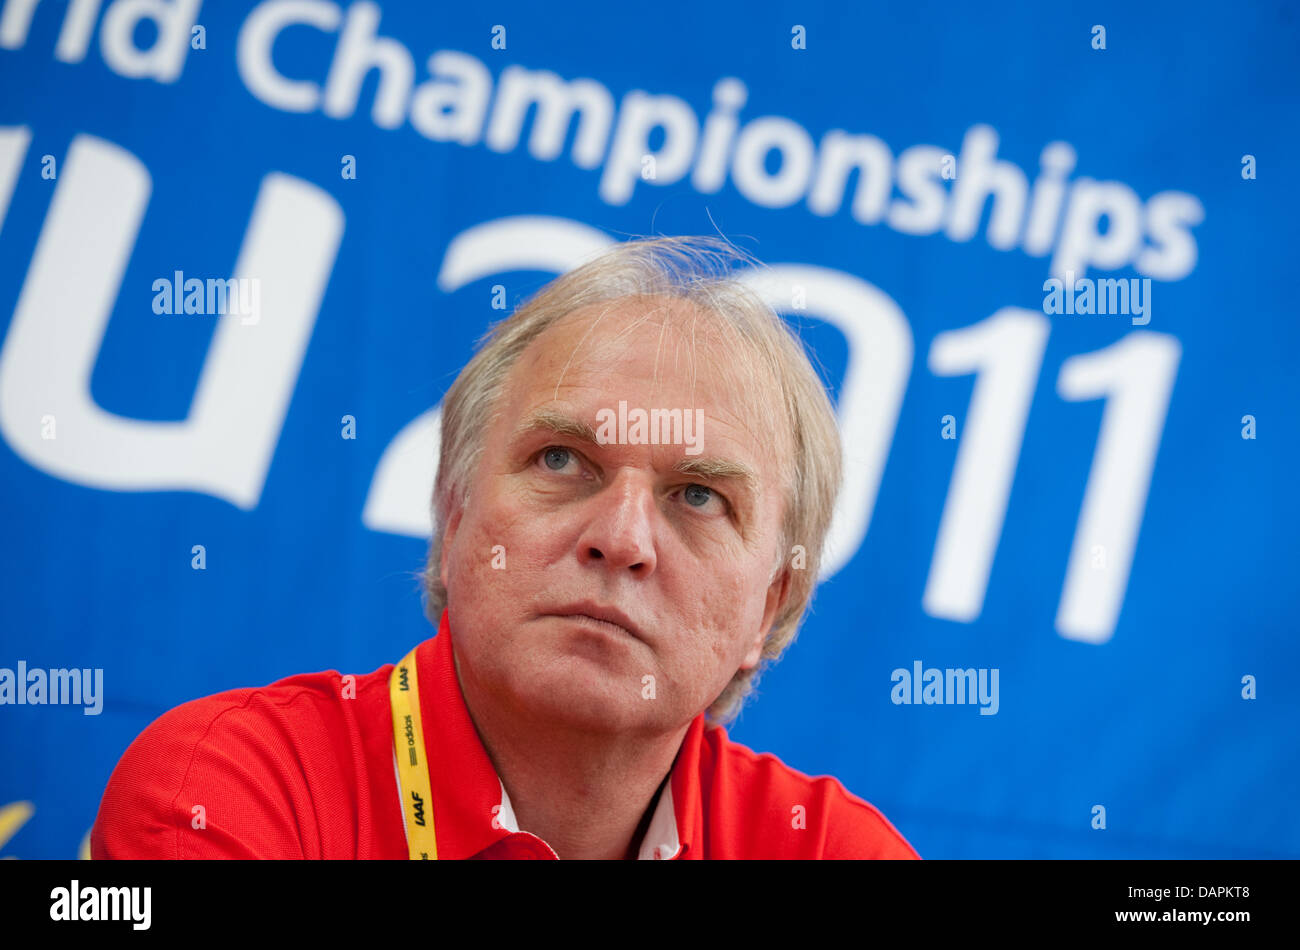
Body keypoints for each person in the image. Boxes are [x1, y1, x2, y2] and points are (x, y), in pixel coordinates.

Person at [91, 235, 918, 860]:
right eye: (562, 461)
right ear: (452, 520)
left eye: (698, 496)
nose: (621, 539)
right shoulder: (223, 787)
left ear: (768, 609)